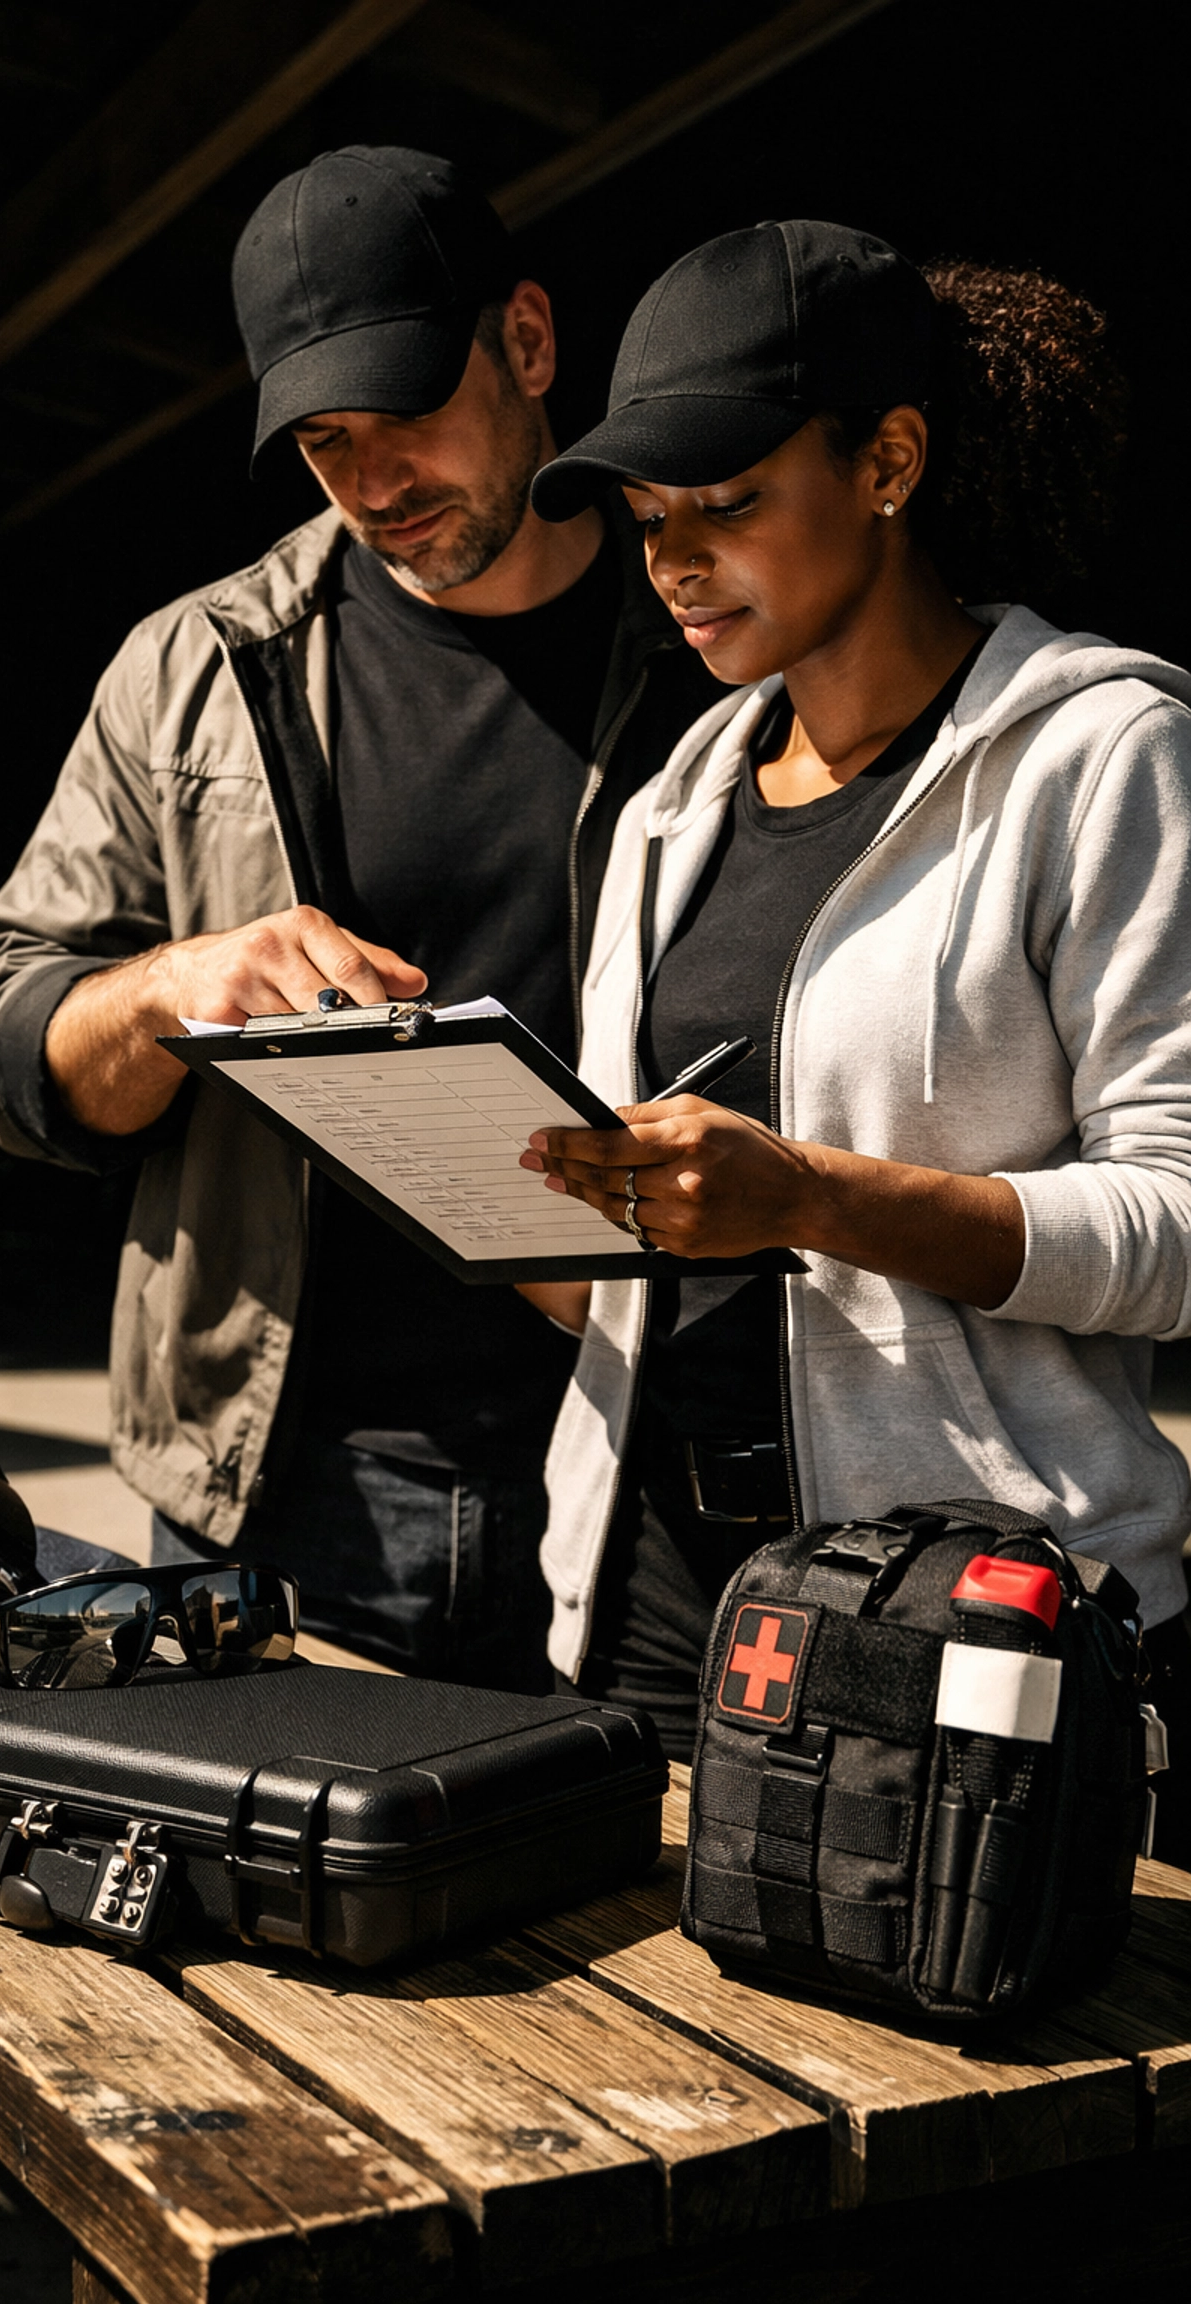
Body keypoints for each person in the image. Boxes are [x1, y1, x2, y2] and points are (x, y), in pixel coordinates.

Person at [0, 147, 712, 1689]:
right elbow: (0, 1044)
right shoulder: (194, 669)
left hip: (651, 1478)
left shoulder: (714, 645)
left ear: (531, 342)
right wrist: (178, 987)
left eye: (406, 412)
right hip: (274, 1495)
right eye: (320, 441)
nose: (372, 483)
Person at [520, 219, 1191, 1858]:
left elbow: (1178, 1229)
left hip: (964, 1635)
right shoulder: (674, 801)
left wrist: (813, 1198)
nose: (673, 560)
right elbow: (634, 1253)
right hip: (649, 1615)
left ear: (889, 461)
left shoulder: (1096, 760)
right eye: (647, 517)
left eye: (728, 503)